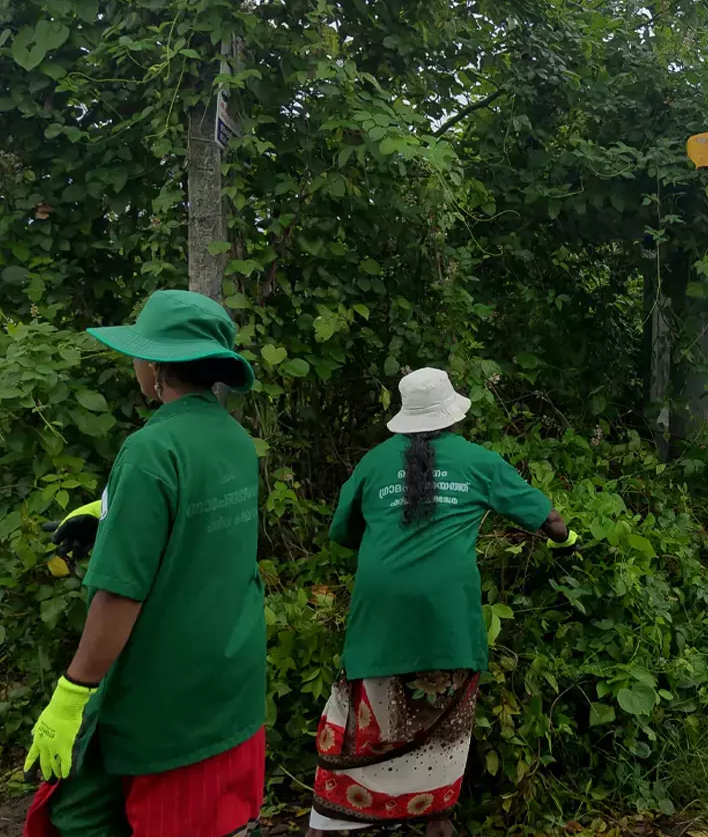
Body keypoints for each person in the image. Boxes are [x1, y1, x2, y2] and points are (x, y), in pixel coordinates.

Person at [24, 290, 267, 837]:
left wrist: (72, 692)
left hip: (162, 696)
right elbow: (198, 528)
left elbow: (119, 592)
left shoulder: (150, 450)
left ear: (156, 367)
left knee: (76, 817)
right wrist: (108, 513)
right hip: (229, 679)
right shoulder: (234, 441)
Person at [308, 367, 572, 837]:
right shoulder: (479, 461)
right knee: (441, 742)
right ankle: (435, 819)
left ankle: (335, 823)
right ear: (453, 414)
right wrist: (568, 539)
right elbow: (548, 519)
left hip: (378, 624)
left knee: (364, 734)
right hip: (448, 625)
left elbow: (341, 534)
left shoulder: (372, 463)